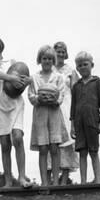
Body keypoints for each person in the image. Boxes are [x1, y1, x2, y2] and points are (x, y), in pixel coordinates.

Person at [0, 35, 32, 188]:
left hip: (15, 104)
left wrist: (27, 81)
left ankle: (22, 178)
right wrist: (11, 78)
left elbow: (24, 78)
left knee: (17, 137)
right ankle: (8, 181)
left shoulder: (12, 62)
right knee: (5, 144)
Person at [28, 45, 69, 186]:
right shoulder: (34, 77)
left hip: (54, 114)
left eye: (50, 59)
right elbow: (31, 95)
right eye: (44, 58)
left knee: (54, 148)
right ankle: (44, 182)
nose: (47, 61)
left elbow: (61, 94)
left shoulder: (58, 77)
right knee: (43, 149)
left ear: (54, 61)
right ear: (40, 59)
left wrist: (54, 100)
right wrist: (38, 98)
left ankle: (56, 182)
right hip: (40, 115)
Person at [70, 51, 100, 184]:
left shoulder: (98, 82)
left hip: (93, 121)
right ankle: (83, 181)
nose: (83, 67)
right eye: (79, 65)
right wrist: (72, 126)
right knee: (82, 152)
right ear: (77, 68)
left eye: (85, 64)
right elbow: (73, 107)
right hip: (79, 123)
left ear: (92, 65)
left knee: (93, 151)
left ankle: (98, 180)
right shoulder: (76, 86)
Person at [46, 41, 80, 185]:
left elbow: (77, 90)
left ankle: (63, 181)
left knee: (67, 144)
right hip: (51, 107)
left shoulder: (70, 70)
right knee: (49, 142)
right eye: (57, 51)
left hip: (67, 107)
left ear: (66, 54)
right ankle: (48, 180)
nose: (60, 53)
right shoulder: (48, 68)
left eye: (62, 51)